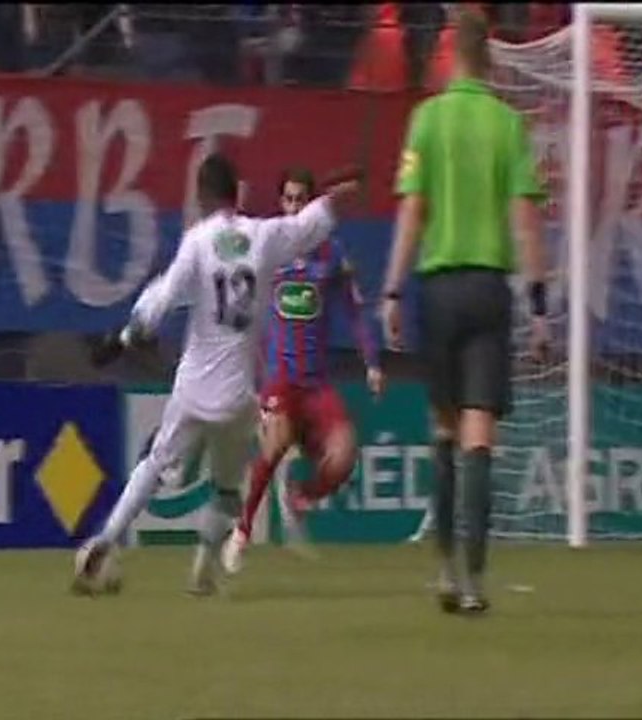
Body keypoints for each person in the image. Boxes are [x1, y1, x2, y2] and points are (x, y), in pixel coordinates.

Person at [74, 153, 362, 596]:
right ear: (238, 192)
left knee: (155, 464)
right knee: (227, 487)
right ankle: (203, 572)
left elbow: (161, 299)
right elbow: (310, 224)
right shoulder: (262, 236)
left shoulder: (197, 241)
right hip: (236, 396)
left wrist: (125, 337)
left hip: (192, 387)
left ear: (202, 196)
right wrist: (339, 196)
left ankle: (107, 539)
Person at [379, 9, 548, 614]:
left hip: (438, 290)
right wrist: (539, 302)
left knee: (445, 431)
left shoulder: (427, 120)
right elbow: (526, 219)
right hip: (488, 288)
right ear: (493, 58)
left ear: (449, 56)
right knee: (481, 436)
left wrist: (392, 291)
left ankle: (446, 569)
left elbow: (412, 212)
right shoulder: (509, 125)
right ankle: (476, 580)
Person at [220, 168, 385, 574]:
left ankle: (301, 497)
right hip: (279, 377)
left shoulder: (331, 255)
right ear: (281, 203)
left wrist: (372, 362)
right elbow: (227, 248)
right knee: (274, 445)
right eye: (288, 199)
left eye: (300, 200)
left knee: (345, 455)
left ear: (311, 205)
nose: (294, 208)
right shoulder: (268, 248)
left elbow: (355, 311)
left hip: (317, 383)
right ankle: (241, 532)